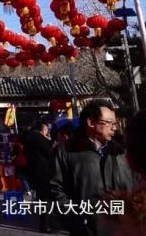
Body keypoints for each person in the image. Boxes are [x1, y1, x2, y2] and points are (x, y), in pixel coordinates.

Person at [50, 100, 136, 236]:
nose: (114, 128)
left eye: (115, 123)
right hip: (87, 229)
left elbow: (136, 184)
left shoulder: (121, 151)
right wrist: (77, 220)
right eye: (109, 123)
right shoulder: (66, 152)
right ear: (91, 122)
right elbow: (55, 189)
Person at [25, 119, 54, 232]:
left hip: (35, 172)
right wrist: (49, 141)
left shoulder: (30, 138)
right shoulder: (40, 139)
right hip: (44, 173)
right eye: (47, 129)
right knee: (46, 200)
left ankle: (44, 224)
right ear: (42, 129)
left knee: (43, 199)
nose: (47, 131)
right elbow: (50, 151)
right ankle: (45, 225)